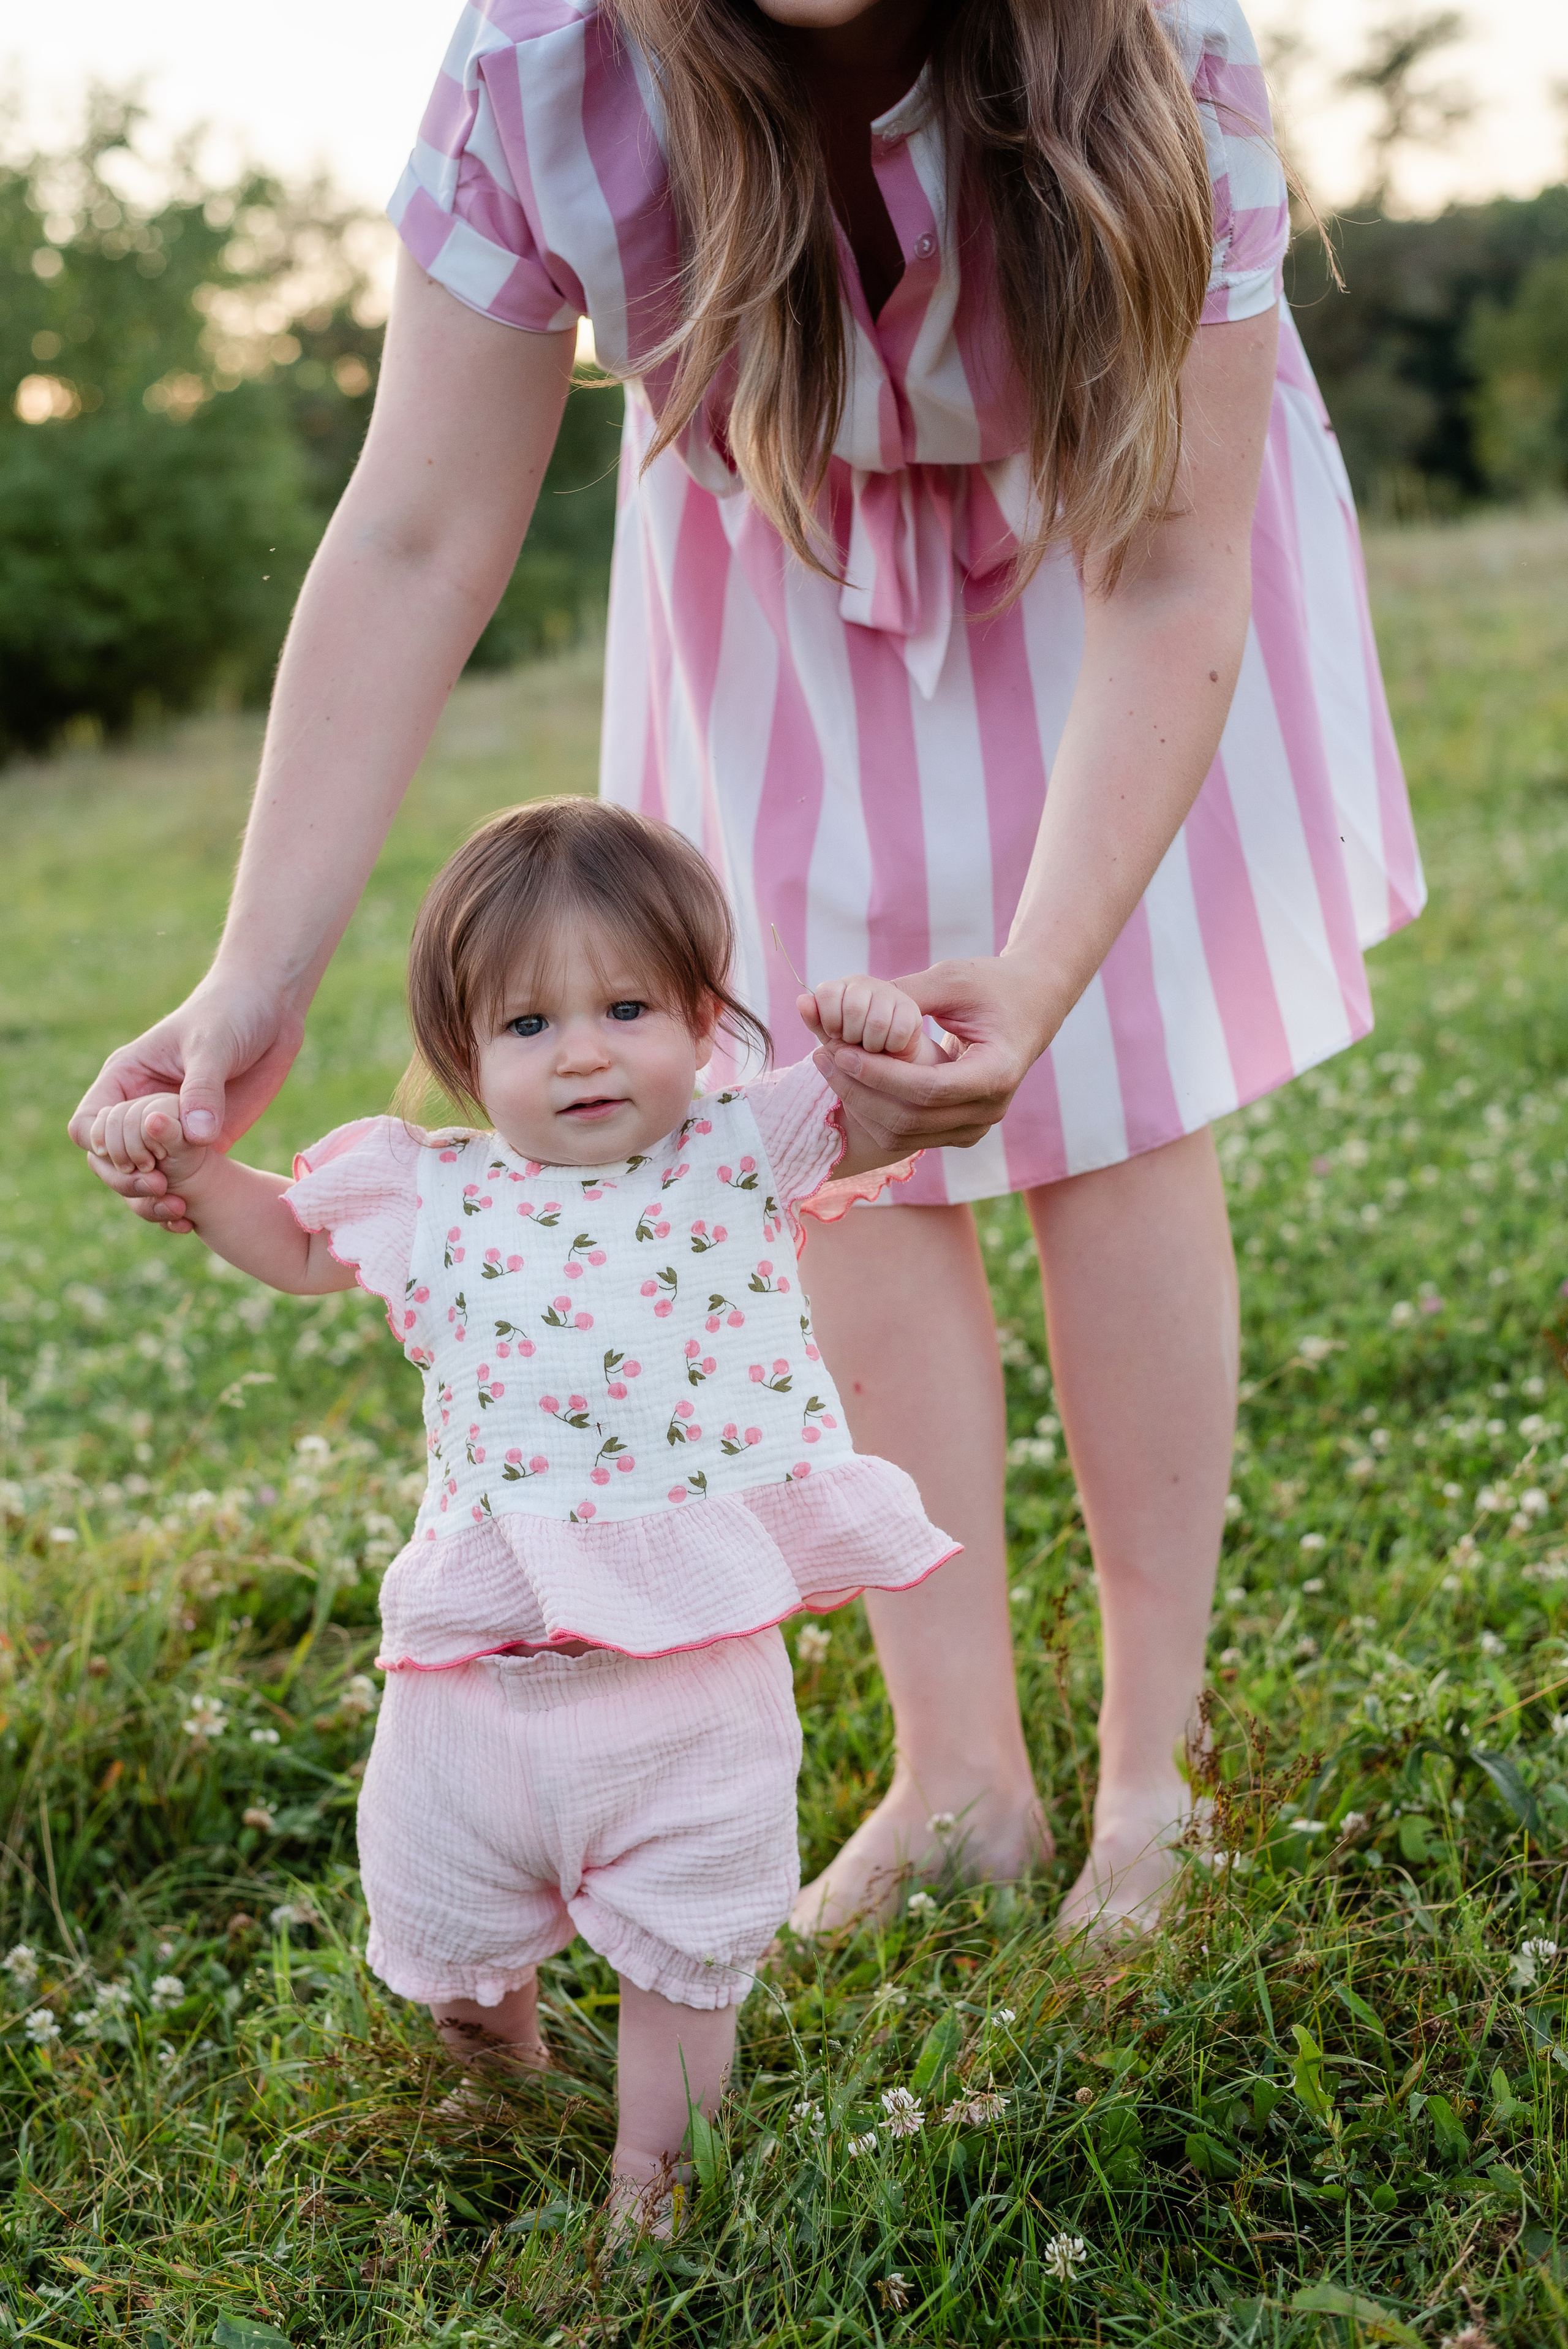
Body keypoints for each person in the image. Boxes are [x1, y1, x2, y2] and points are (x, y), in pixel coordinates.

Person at [70, 0, 1422, 1940]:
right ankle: (960, 1772)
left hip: (1117, 543)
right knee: (805, 1140)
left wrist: (1040, 975)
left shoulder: (1157, 48)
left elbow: (1178, 565)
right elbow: (420, 532)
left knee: (1115, 1108)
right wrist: (254, 971)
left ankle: (1152, 1770)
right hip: (774, 547)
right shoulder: (541, 70)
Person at [86, 796, 957, 2230]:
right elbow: (294, 1244)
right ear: (464, 1057)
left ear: (698, 1016)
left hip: (689, 1673)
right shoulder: (432, 1195)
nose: (587, 1053)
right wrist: (186, 1162)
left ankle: (652, 2175)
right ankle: (501, 2090)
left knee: (685, 1948)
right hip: (477, 1671)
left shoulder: (743, 1150)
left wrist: (879, 1026)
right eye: (528, 1027)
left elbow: (889, 1098)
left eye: (625, 1006)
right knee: (453, 1933)